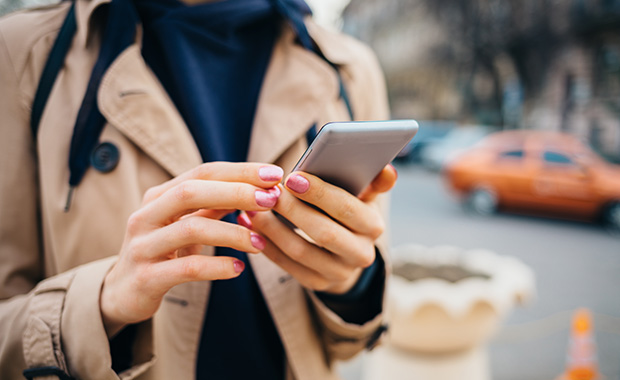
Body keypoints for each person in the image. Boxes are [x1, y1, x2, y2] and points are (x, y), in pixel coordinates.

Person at [0, 0, 394, 378]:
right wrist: (101, 304)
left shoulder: (350, 68)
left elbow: (355, 341)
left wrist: (351, 284)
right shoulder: (22, 52)